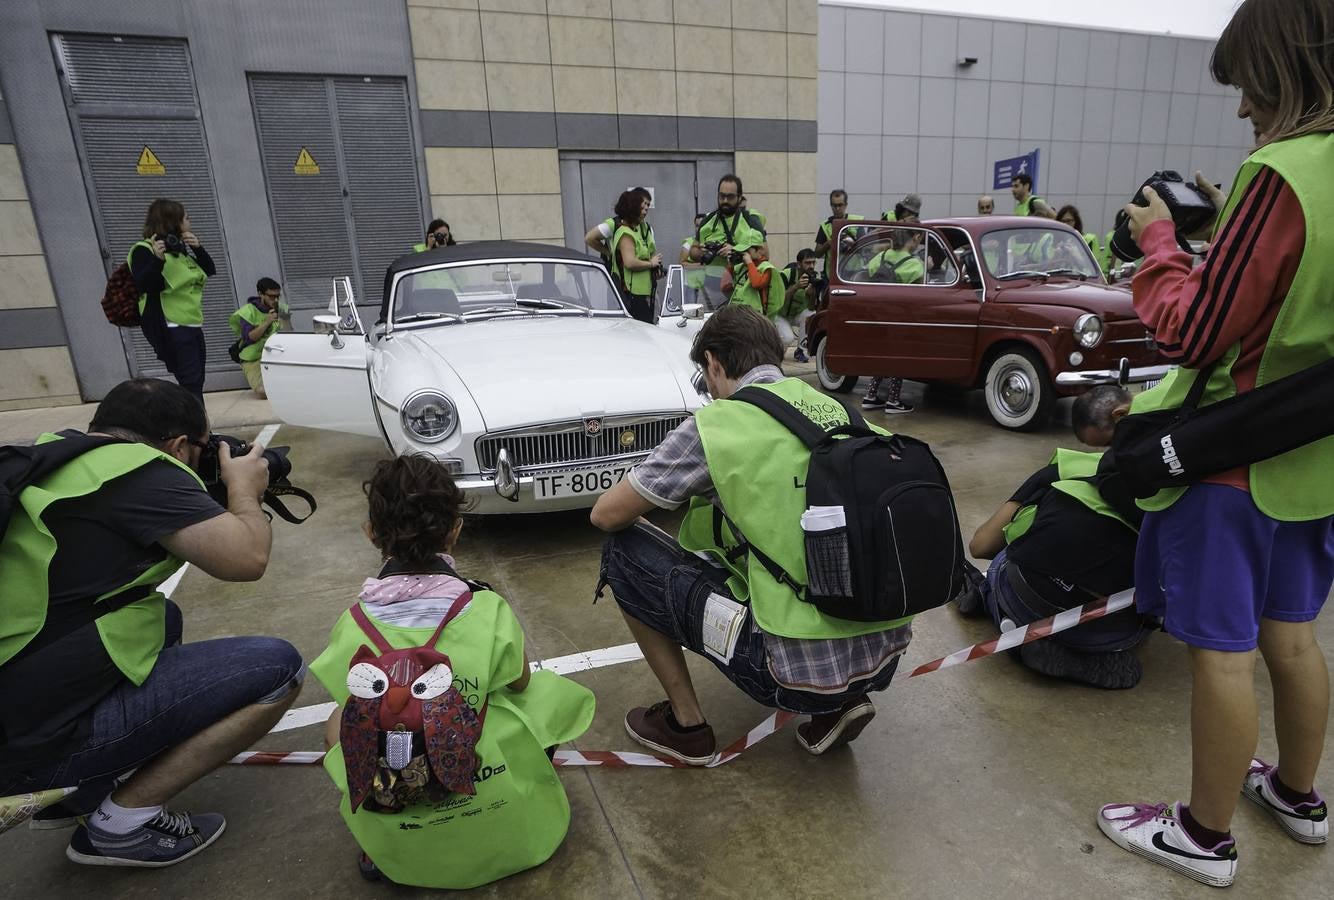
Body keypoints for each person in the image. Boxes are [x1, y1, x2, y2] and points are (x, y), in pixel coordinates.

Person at [1095, 0, 1334, 886]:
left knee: (1222, 650)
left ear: (1287, 66)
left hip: (1232, 457)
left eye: (1247, 86)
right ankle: (1300, 797)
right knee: (1295, 638)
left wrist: (1161, 244)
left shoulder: (1284, 173)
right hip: (1315, 461)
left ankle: (1202, 833)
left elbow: (1191, 334)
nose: (1241, 111)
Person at [0, 378, 303, 867]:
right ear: (179, 445)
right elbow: (245, 558)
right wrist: (244, 490)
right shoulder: (139, 471)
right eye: (204, 448)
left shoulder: (53, 459)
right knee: (277, 670)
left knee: (161, 616)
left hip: (14, 708)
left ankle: (82, 794)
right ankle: (120, 826)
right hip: (24, 751)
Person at [591, 305, 913, 763]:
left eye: (708, 378)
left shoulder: (718, 426)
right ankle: (840, 700)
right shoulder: (843, 413)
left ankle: (687, 726)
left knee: (622, 550)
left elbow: (607, 514)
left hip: (781, 674)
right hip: (884, 658)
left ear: (715, 365)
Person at [312, 455, 593, 888]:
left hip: (395, 766)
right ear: (456, 530)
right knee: (542, 693)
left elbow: (352, 698)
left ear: (371, 534)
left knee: (338, 721)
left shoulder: (353, 621)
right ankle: (509, 788)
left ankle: (382, 823)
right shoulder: (483, 608)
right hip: (506, 813)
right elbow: (519, 681)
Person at [966, 448, 1151, 689]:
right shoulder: (1185, 505)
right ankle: (1083, 652)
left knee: (1011, 549)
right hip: (1101, 627)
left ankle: (992, 600)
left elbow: (980, 546)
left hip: (1023, 598)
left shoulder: (1072, 465)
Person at [129, 199, 215, 405]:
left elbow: (208, 270)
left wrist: (199, 248)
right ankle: (199, 432)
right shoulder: (144, 250)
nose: (189, 221)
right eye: (186, 218)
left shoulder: (178, 249)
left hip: (191, 322)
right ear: (173, 221)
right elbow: (146, 285)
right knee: (190, 382)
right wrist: (157, 261)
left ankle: (198, 429)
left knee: (195, 381)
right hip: (170, 324)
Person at [859, 227, 922, 415]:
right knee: (898, 358)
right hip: (899, 318)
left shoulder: (879, 257)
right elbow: (919, 296)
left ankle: (870, 396)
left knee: (882, 356)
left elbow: (867, 277)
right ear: (916, 238)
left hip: (877, 316)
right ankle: (893, 400)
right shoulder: (915, 265)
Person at [690, 174, 767, 272]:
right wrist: (701, 252)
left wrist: (735, 252)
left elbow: (764, 254)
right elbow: (692, 251)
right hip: (714, 283)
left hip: (743, 282)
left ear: (739, 198)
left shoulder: (751, 220)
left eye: (730, 197)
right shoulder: (708, 220)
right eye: (722, 196)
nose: (725, 200)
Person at [609, 190, 662, 324]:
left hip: (644, 293)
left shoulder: (641, 229)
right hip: (632, 295)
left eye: (647, 207)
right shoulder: (625, 232)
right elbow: (630, 262)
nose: (645, 211)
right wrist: (651, 264)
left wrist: (655, 269)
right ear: (633, 206)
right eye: (643, 207)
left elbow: (649, 253)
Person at [228, 277, 285, 399]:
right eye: (271, 296)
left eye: (277, 296)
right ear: (260, 294)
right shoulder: (248, 311)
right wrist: (267, 322)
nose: (275, 300)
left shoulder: (282, 308)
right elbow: (250, 338)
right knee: (263, 392)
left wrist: (283, 320)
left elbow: (289, 333)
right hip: (253, 357)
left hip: (276, 354)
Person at [777, 249, 819, 362]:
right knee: (788, 338)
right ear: (799, 264)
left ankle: (800, 350)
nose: (811, 266)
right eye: (807, 263)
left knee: (812, 315)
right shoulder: (786, 274)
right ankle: (775, 352)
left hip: (795, 314)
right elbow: (778, 299)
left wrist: (812, 294)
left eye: (813, 262)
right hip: (779, 314)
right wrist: (796, 286)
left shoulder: (813, 278)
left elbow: (811, 308)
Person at [812, 189, 865, 277]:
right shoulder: (825, 225)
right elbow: (817, 253)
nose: (837, 209)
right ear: (831, 205)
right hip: (833, 275)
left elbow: (864, 249)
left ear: (846, 205)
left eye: (840, 205)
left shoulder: (856, 222)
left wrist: (851, 242)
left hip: (855, 274)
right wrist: (829, 243)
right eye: (834, 205)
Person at [728, 244, 780, 322]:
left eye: (746, 251)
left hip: (755, 316)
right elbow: (725, 287)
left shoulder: (765, 267)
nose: (743, 254)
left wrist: (749, 263)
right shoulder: (740, 267)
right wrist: (730, 266)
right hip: (737, 312)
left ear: (758, 251)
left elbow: (757, 284)